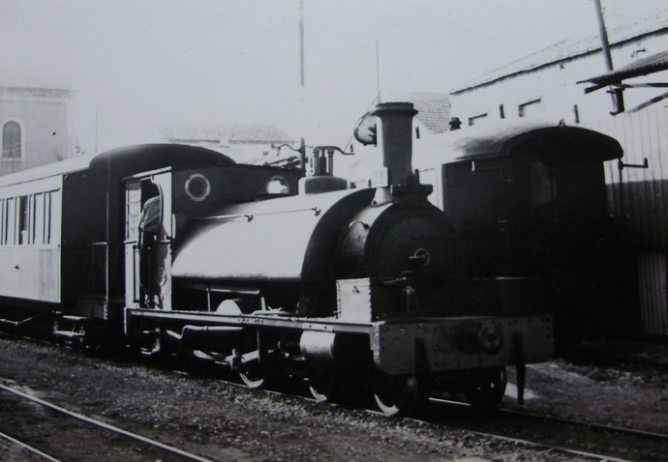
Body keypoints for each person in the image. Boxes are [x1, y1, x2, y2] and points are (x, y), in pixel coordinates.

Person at [138, 195, 164, 308]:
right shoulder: (156, 202)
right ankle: (150, 295)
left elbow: (140, 224)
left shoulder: (150, 201)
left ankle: (149, 294)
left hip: (147, 235)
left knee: (144, 265)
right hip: (151, 236)